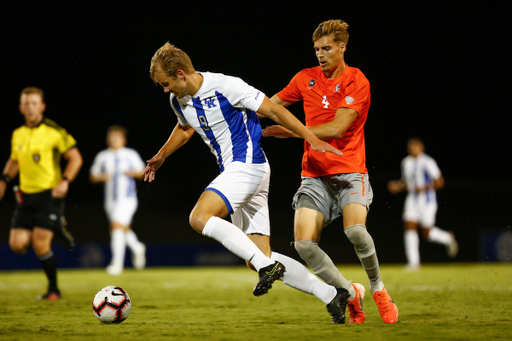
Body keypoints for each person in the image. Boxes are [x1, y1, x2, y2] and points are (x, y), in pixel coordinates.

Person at [144, 42, 353, 323]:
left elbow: (274, 111)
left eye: (166, 83)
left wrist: (311, 137)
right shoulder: (177, 100)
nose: (165, 90)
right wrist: (161, 156)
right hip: (241, 172)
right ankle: (333, 294)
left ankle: (267, 266)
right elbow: (184, 128)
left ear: (181, 74)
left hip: (248, 165)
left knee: (199, 217)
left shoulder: (226, 86)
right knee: (256, 253)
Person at [262, 19, 398, 324]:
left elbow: (338, 128)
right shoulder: (305, 78)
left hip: (350, 171)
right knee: (303, 245)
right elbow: (267, 106)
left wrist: (293, 131)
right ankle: (349, 292)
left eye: (326, 48)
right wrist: (230, 102)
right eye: (316, 49)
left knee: (355, 231)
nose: (320, 54)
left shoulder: (356, 81)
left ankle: (378, 288)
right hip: (314, 176)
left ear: (342, 47)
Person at [0, 87, 83, 300]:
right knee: (17, 244)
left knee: (39, 243)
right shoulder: (17, 134)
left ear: (42, 107)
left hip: (49, 195)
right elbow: (14, 160)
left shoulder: (54, 132)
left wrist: (65, 181)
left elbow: (76, 158)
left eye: (34, 103)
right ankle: (56, 226)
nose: (30, 107)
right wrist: (4, 180)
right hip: (25, 197)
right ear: (20, 107)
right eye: (26, 103)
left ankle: (54, 290)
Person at [388, 138, 458, 270]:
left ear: (422, 148)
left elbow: (440, 182)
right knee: (409, 226)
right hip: (412, 199)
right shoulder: (406, 162)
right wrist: (397, 186)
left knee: (427, 233)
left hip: (427, 200)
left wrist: (424, 187)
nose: (413, 148)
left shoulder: (428, 162)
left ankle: (447, 237)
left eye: (416, 146)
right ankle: (413, 263)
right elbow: (406, 182)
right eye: (411, 146)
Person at [90, 125, 147, 275]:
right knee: (121, 227)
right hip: (110, 200)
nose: (114, 140)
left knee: (115, 226)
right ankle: (137, 247)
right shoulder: (103, 156)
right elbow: (93, 175)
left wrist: (132, 172)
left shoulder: (130, 154)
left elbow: (143, 173)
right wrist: (102, 177)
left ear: (124, 140)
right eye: (111, 138)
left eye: (117, 137)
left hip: (128, 199)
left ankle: (117, 264)